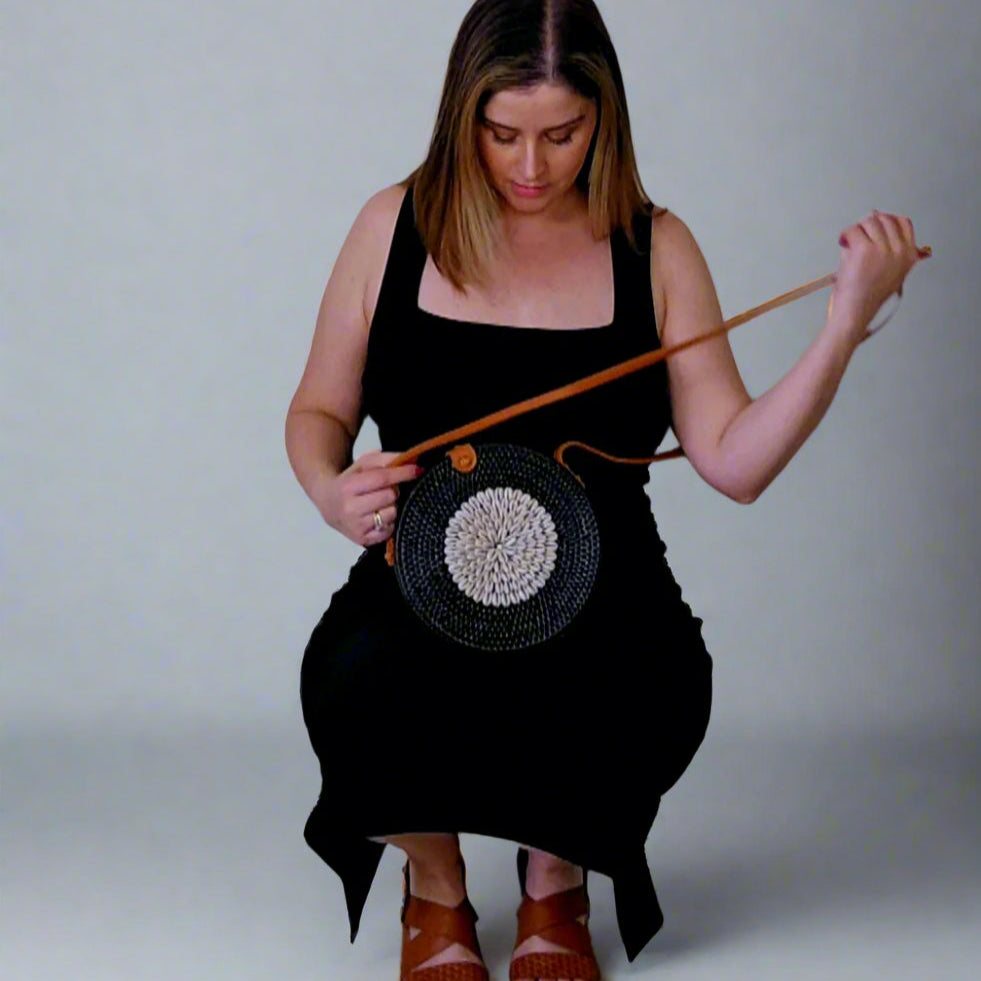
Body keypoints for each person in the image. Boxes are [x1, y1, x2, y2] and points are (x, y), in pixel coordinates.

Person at [284, 2, 925, 979]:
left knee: (642, 683)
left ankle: (556, 883)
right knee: (356, 679)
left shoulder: (654, 247)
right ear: (463, 118)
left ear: (605, 120)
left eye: (562, 135)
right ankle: (436, 889)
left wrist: (841, 327)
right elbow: (317, 413)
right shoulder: (392, 226)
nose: (531, 167)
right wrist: (332, 490)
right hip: (419, 584)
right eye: (502, 135)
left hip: (605, 589)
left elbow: (735, 463)